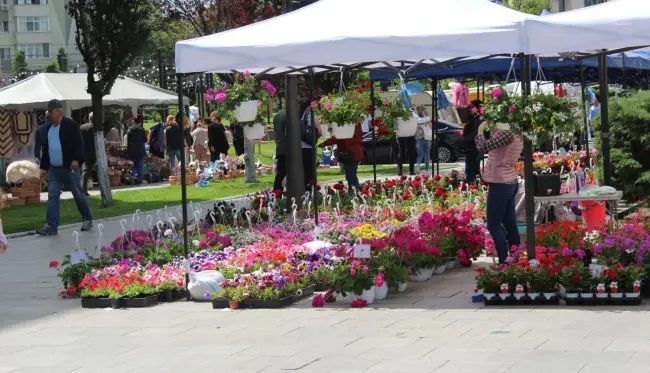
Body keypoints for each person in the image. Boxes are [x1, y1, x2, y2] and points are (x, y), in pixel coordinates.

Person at [36, 99, 93, 236]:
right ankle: (51, 225)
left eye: (51, 111)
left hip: (69, 168)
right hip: (54, 169)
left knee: (78, 195)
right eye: (48, 111)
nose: (48, 114)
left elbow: (79, 143)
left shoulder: (71, 125)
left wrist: (76, 159)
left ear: (58, 111)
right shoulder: (48, 128)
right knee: (52, 196)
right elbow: (47, 149)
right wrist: (43, 167)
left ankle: (87, 219)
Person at [475, 122, 524, 264]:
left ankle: (504, 261)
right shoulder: (517, 131)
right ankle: (514, 258)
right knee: (510, 223)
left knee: (493, 225)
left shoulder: (506, 133)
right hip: (509, 181)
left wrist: (479, 131)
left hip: (500, 182)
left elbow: (482, 146)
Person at [321, 123, 363, 189]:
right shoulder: (355, 125)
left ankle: (355, 191)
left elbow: (338, 138)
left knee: (351, 175)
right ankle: (354, 190)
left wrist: (325, 143)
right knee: (351, 174)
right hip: (354, 152)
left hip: (350, 152)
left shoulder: (346, 126)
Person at [299, 99, 322, 188]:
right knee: (310, 171)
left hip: (298, 148)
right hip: (309, 148)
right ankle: (310, 190)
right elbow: (320, 132)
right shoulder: (311, 115)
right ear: (309, 106)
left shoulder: (297, 116)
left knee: (301, 171)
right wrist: (314, 138)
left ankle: (302, 189)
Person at [461, 100, 483, 183]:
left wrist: (463, 140)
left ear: (477, 108)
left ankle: (472, 186)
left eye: (471, 107)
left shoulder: (478, 120)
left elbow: (474, 134)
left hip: (473, 147)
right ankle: (475, 185)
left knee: (470, 170)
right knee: (475, 168)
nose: (469, 109)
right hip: (474, 147)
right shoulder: (476, 119)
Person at [79, 112, 96, 195]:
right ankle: (83, 189)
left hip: (82, 150)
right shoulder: (96, 127)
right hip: (92, 151)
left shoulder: (82, 127)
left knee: (85, 170)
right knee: (86, 170)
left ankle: (83, 188)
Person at [127, 117, 148, 184]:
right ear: (140, 122)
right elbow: (145, 140)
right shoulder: (141, 130)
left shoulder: (130, 130)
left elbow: (128, 142)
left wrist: (128, 151)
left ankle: (132, 179)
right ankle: (140, 180)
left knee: (133, 166)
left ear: (134, 122)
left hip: (132, 151)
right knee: (140, 166)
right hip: (140, 150)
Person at [414, 105, 432, 173]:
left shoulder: (415, 119)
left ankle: (417, 165)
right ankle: (426, 169)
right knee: (427, 154)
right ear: (423, 111)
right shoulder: (427, 118)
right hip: (427, 137)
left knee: (420, 154)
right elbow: (431, 126)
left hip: (418, 138)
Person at [273, 108, 287, 191]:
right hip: (289, 147)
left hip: (281, 147)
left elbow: (275, 132)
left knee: (281, 173)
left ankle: (277, 193)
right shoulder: (292, 114)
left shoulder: (278, 114)